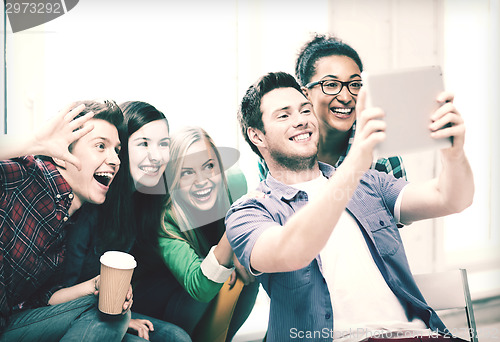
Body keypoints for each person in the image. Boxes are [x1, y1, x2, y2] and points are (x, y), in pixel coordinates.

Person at [227, 72, 474, 341]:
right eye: (284, 115)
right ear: (257, 136)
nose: (301, 120)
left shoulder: (369, 183)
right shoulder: (248, 212)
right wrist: (356, 161)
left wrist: (454, 152)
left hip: (418, 335)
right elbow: (292, 250)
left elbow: (450, 198)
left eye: (305, 110)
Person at [0, 100, 132, 341]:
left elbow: (38, 301)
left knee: (119, 317)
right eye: (101, 146)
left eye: (117, 150)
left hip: (12, 324)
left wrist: (96, 286)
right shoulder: (25, 176)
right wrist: (36, 142)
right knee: (105, 313)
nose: (115, 160)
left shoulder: (65, 221)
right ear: (61, 156)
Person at [63, 101, 191, 341]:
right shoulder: (92, 199)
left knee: (177, 336)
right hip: (74, 309)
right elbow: (61, 289)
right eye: (143, 143)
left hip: (116, 305)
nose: (157, 155)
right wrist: (122, 318)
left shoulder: (143, 199)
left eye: (164, 144)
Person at [132, 126, 259, 341]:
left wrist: (242, 251)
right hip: (154, 300)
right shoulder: (165, 218)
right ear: (173, 179)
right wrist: (234, 233)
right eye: (187, 172)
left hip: (196, 289)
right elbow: (198, 287)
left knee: (250, 271)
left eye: (208, 166)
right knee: (205, 280)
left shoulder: (234, 185)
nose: (202, 180)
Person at [258, 33, 406, 180]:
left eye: (355, 85)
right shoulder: (276, 148)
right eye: (331, 85)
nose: (346, 97)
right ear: (305, 94)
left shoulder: (381, 157)